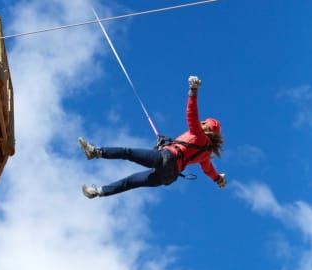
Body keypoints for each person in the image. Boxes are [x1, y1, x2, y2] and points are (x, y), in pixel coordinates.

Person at [79, 75, 226, 199]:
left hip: (166, 159)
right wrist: (218, 179)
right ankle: (97, 192)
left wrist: (193, 91)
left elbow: (191, 114)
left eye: (203, 124)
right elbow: (208, 170)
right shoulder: (206, 154)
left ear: (206, 127)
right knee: (131, 182)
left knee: (127, 153)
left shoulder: (198, 135)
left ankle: (96, 152)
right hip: (168, 177)